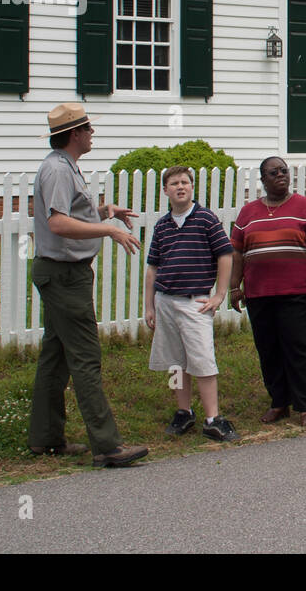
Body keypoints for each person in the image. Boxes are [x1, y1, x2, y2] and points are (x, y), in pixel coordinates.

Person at [28, 103, 148, 467]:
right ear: (75, 133)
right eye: (89, 130)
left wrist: (104, 212)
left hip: (63, 273)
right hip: (64, 276)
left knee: (56, 357)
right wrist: (109, 230)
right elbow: (59, 224)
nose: (92, 134)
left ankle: (45, 438)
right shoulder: (57, 170)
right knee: (85, 357)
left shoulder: (63, 167)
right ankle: (108, 446)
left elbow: (73, 215)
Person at [229, 157, 306, 427]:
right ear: (263, 180)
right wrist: (233, 286)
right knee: (268, 349)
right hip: (258, 293)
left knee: (299, 348)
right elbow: (237, 252)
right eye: (273, 172)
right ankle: (279, 402)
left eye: (284, 171)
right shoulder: (248, 212)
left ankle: (304, 406)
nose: (281, 175)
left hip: (296, 292)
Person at [143, 165, 238, 442]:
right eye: (174, 183)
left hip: (195, 303)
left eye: (185, 182)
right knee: (174, 362)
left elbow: (225, 255)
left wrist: (219, 295)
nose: (180, 187)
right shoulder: (162, 225)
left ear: (192, 187)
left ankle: (213, 418)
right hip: (166, 302)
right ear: (165, 190)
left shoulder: (206, 219)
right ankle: (183, 412)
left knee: (203, 359)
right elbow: (152, 268)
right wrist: (149, 306)